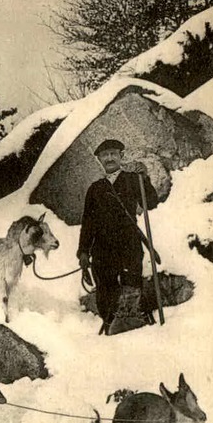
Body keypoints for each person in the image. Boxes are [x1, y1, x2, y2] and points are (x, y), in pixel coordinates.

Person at [76, 139, 158, 334]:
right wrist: (83, 252)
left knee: (132, 287)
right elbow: (87, 223)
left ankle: (137, 326)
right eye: (105, 155)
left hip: (129, 244)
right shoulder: (95, 189)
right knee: (105, 291)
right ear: (99, 160)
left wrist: (144, 178)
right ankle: (110, 329)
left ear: (121, 156)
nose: (110, 158)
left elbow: (152, 202)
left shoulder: (133, 179)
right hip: (102, 249)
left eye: (113, 153)